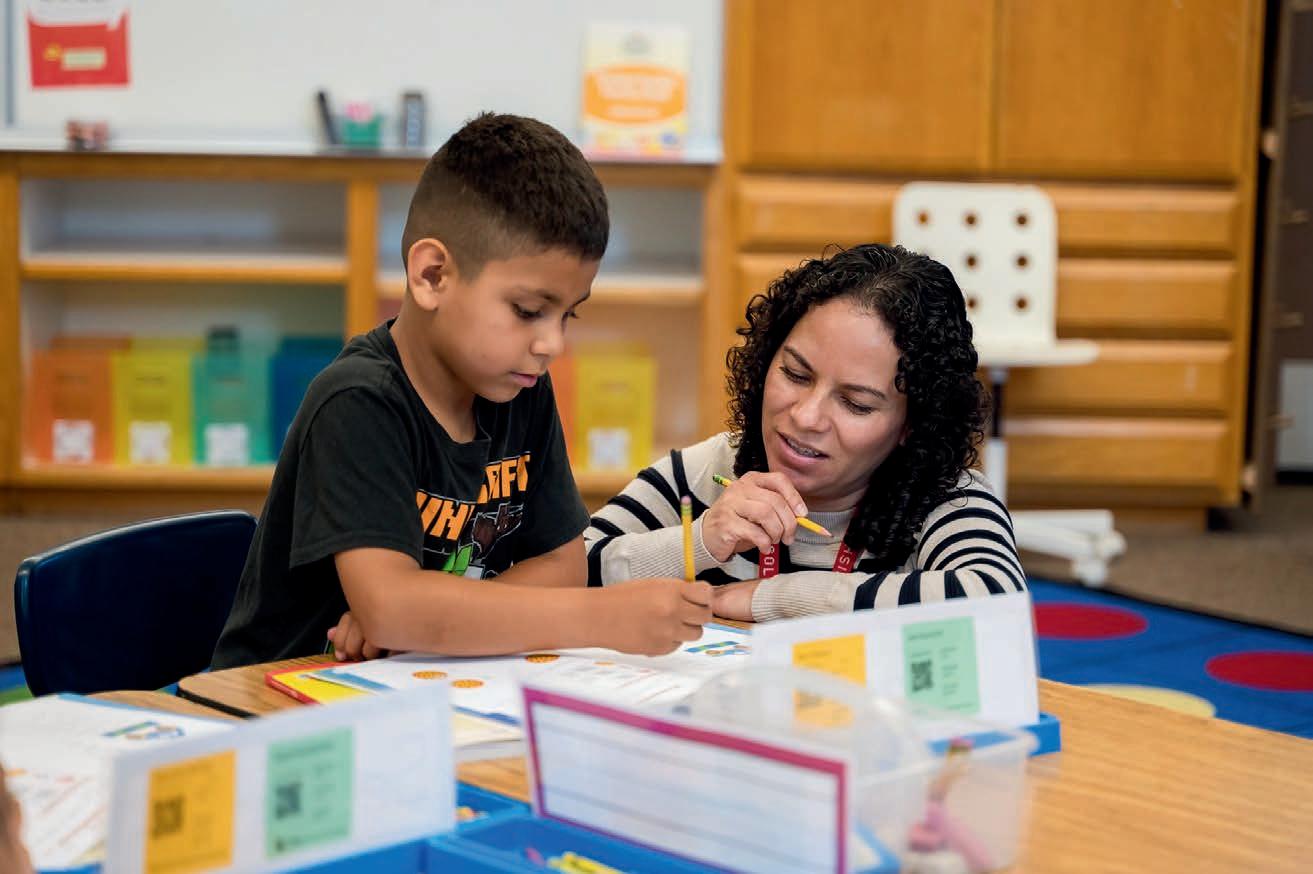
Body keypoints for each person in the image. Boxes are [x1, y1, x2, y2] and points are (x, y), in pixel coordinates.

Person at [212, 113, 711, 668]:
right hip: (278, 694)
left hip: (412, 680)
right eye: (528, 310)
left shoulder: (521, 388)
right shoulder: (357, 402)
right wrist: (601, 617)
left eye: (568, 314)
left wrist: (430, 620)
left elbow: (562, 565)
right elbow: (393, 606)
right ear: (431, 276)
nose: (552, 344)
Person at [584, 243, 1023, 621]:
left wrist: (774, 598)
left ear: (912, 425)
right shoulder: (708, 472)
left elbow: (997, 601)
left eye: (855, 403)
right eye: (795, 374)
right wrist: (698, 541)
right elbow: (566, 572)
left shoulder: (946, 500)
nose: (807, 417)